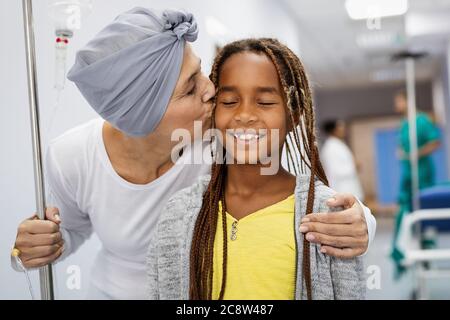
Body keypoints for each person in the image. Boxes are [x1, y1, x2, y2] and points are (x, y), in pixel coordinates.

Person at [12, 8, 374, 299]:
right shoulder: (72, 157)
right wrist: (47, 242)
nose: (210, 92)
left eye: (200, 71)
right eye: (189, 89)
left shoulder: (223, 136)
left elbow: (300, 192)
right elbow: (72, 230)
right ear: (143, 116)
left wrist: (362, 223)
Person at [147, 38, 365, 300]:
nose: (245, 115)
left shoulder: (324, 216)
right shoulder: (179, 213)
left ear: (293, 113)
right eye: (229, 102)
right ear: (214, 112)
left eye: (264, 102)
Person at [391, 90, 441, 275]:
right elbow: (402, 146)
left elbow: (435, 142)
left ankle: (425, 252)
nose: (396, 106)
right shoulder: (405, 124)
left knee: (422, 214)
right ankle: (407, 253)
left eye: (398, 101)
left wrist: (414, 154)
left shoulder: (422, 120)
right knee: (404, 213)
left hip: (422, 174)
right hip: (408, 174)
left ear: (407, 100)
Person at [321, 119, 364, 201]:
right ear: (333, 130)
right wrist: (354, 167)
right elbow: (335, 171)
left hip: (349, 187)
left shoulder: (338, 144)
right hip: (341, 189)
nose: (343, 129)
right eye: (340, 127)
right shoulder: (330, 148)